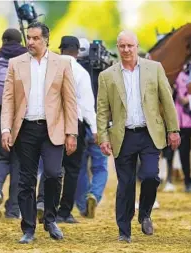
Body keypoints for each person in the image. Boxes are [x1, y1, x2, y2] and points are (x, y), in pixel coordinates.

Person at [97, 31, 180, 243]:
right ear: (118, 47)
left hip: (150, 133)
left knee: (151, 176)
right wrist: (103, 137)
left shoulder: (155, 69)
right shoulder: (107, 76)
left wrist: (173, 130)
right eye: (122, 46)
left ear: (137, 46)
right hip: (123, 135)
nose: (126, 50)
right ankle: (124, 231)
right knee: (125, 184)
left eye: (130, 46)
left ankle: (145, 214)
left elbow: (167, 102)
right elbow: (103, 110)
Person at [1, 22, 78, 243]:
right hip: (25, 129)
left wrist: (71, 132)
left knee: (54, 174)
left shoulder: (61, 63)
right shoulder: (15, 64)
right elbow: (8, 98)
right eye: (28, 38)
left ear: (46, 39)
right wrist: (6, 128)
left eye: (35, 38)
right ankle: (28, 228)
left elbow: (70, 101)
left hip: (52, 129)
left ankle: (51, 218)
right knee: (26, 180)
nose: (30, 42)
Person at [36, 36, 96, 223]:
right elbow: (87, 105)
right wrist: (94, 129)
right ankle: (64, 211)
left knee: (50, 166)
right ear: (77, 52)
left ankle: (42, 202)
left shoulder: (48, 68)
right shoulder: (81, 72)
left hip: (50, 121)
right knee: (72, 169)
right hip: (73, 124)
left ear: (60, 50)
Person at [0, 29, 27, 219]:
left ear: (3, 40)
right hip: (21, 116)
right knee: (19, 161)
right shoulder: (27, 56)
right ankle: (14, 209)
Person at [75, 37, 109, 219]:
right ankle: (94, 195)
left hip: (79, 124)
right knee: (100, 167)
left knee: (79, 167)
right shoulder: (102, 70)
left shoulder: (72, 70)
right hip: (100, 125)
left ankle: (82, 205)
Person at [174, 69, 191, 192]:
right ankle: (187, 181)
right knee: (183, 153)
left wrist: (189, 99)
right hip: (182, 121)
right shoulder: (178, 73)